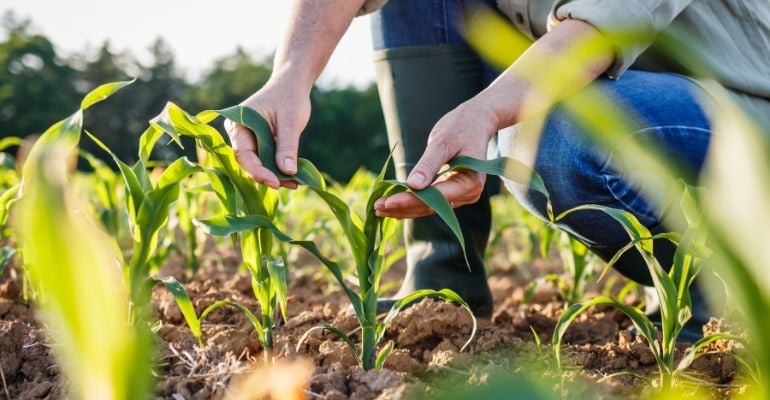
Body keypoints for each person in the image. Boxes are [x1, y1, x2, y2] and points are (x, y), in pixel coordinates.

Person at [226, 0, 770, 340]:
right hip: (618, 92)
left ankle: (728, 295)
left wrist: (488, 112)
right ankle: (443, 282)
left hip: (741, 103)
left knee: (551, 138)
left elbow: (600, 30)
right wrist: (292, 75)